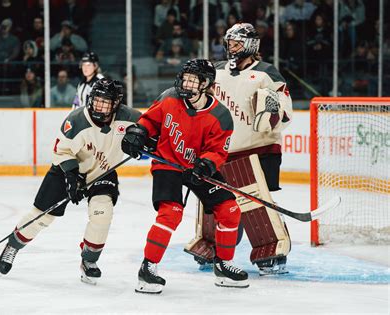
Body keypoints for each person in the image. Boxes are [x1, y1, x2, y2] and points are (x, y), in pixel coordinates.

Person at [121, 59, 248, 294]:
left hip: (198, 168)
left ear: (206, 83)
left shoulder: (221, 115)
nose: (185, 83)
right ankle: (148, 269)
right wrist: (137, 132)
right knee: (171, 213)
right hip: (168, 163)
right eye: (185, 78)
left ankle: (223, 265)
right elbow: (149, 120)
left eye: (192, 79)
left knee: (230, 210)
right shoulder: (169, 97)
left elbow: (218, 151)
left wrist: (206, 165)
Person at [0, 78, 141, 285]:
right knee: (41, 217)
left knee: (102, 213)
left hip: (102, 172)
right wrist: (72, 177)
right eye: (96, 100)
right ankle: (13, 246)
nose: (98, 106)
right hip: (67, 170)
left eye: (105, 102)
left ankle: (89, 261)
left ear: (116, 103)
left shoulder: (130, 117)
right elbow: (62, 150)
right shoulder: (76, 120)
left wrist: (143, 139)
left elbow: (151, 128)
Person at [187, 23, 293, 276]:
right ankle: (213, 244)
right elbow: (203, 101)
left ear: (251, 45)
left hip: (258, 149)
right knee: (214, 201)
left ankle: (271, 249)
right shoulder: (217, 71)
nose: (231, 48)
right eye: (230, 43)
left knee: (254, 204)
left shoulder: (267, 73)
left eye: (237, 43)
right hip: (220, 150)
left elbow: (285, 111)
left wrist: (272, 110)